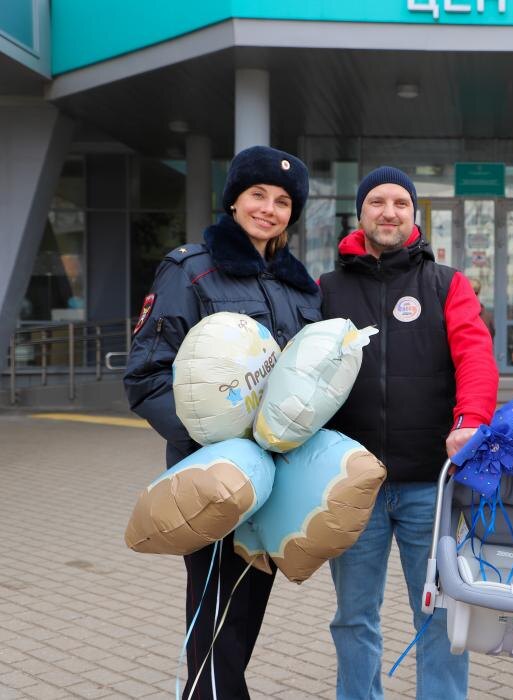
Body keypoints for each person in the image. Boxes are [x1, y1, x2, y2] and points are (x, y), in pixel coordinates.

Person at [124, 145, 320, 698]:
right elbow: (145, 377)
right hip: (215, 480)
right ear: (233, 199)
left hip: (275, 482)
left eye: (283, 201)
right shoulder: (190, 270)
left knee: (243, 619)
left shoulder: (300, 287)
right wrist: (214, 440)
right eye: (258, 194)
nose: (269, 209)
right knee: (214, 627)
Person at [319, 166, 498, 700]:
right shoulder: (328, 288)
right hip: (354, 485)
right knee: (353, 616)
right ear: (361, 213)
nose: (389, 211)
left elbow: (475, 359)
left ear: (414, 214)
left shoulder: (446, 283)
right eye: (378, 201)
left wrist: (470, 421)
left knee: (441, 613)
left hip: (431, 486)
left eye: (400, 202)